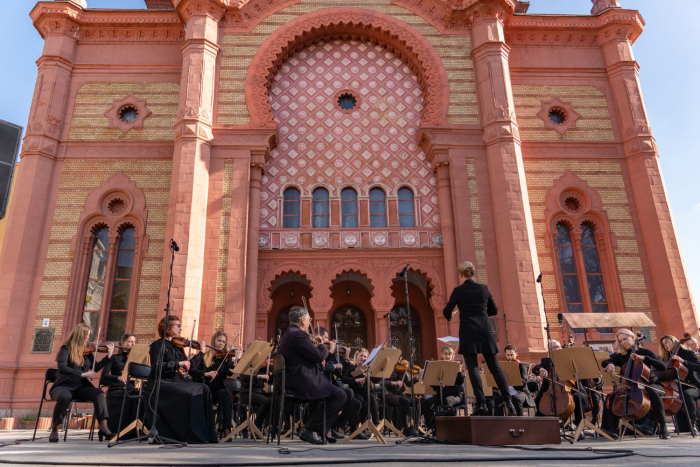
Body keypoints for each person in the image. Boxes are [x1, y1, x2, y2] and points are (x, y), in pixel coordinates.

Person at [443, 261, 515, 416]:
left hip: (468, 332)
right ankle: (508, 399)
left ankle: (481, 403)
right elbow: (494, 310)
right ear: (473, 273)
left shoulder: (458, 291)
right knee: (495, 367)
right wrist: (481, 313)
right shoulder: (484, 289)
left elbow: (446, 311)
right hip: (485, 331)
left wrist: (452, 315)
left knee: (473, 367)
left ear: (461, 275)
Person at [278, 306, 347, 445]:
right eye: (309, 319)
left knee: (324, 396)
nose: (310, 322)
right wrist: (324, 347)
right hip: (301, 382)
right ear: (303, 320)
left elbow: (306, 356)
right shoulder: (298, 335)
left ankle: (317, 430)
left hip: (294, 380)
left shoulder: (290, 333)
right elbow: (318, 356)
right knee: (340, 395)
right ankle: (310, 429)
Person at [146, 316, 218, 443]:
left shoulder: (178, 346)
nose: (180, 328)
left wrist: (201, 357)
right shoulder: (157, 345)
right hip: (161, 383)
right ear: (167, 327)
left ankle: (207, 434)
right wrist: (178, 364)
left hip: (176, 381)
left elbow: (189, 367)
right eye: (177, 325)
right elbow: (156, 367)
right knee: (191, 392)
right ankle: (191, 435)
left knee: (204, 389)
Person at [49, 323, 115, 442]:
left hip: (79, 387)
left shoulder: (87, 352)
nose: (87, 338)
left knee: (99, 393)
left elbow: (96, 367)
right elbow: (62, 368)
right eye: (86, 335)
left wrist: (109, 356)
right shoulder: (66, 348)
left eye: (88, 336)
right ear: (79, 334)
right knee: (65, 396)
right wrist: (81, 374)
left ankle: (104, 428)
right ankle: (55, 428)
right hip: (63, 386)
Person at [602, 328, 671, 439]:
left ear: (633, 338)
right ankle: (613, 429)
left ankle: (663, 427)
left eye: (625, 339)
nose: (623, 342)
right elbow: (604, 362)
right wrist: (610, 364)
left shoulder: (645, 352)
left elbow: (662, 366)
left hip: (652, 384)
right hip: (632, 387)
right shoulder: (621, 356)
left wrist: (644, 358)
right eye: (620, 341)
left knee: (653, 392)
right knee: (614, 396)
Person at [313, 327, 361, 439]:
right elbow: (322, 366)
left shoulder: (330, 354)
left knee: (356, 403)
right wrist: (329, 352)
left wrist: (347, 358)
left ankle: (334, 426)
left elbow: (342, 375)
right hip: (319, 384)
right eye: (325, 338)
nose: (328, 341)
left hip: (330, 385)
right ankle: (353, 430)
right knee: (348, 393)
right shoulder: (316, 350)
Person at [190, 331, 235, 439]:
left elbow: (230, 373)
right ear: (214, 341)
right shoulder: (205, 356)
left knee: (225, 394)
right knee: (212, 395)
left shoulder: (226, 358)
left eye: (223, 342)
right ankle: (211, 430)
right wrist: (205, 373)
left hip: (219, 390)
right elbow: (191, 370)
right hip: (206, 389)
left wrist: (236, 360)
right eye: (219, 340)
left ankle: (225, 429)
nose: (221, 343)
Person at [659, 334, 700, 433]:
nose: (666, 345)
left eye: (667, 342)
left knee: (687, 394)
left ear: (674, 342)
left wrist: (682, 361)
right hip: (675, 387)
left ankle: (693, 424)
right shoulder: (665, 358)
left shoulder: (688, 353)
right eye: (664, 344)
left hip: (693, 386)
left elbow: (698, 367)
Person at [420, 346, 465, 431]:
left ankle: (448, 428)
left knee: (447, 401)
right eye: (446, 354)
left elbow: (460, 382)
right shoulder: (438, 366)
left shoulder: (455, 366)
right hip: (441, 395)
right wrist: (438, 384)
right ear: (442, 355)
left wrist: (459, 372)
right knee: (426, 402)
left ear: (452, 356)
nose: (448, 356)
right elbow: (432, 384)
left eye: (449, 354)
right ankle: (432, 428)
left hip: (454, 395)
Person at [100, 333, 137, 434]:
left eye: (134, 342)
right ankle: (117, 430)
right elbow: (104, 375)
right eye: (130, 342)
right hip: (116, 388)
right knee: (125, 397)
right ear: (122, 343)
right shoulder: (115, 358)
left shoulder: (135, 359)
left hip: (131, 388)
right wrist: (118, 378)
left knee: (139, 397)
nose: (133, 344)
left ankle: (132, 431)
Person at [341, 348, 375, 440]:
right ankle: (359, 430)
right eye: (361, 356)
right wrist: (355, 380)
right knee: (362, 402)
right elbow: (344, 378)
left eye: (365, 356)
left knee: (371, 398)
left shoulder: (367, 368)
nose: (363, 358)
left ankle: (375, 426)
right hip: (355, 391)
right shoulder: (351, 366)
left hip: (365, 391)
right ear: (356, 356)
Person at [492, 344, 534, 416]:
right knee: (498, 399)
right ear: (505, 355)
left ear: (516, 354)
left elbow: (524, 381)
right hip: (507, 393)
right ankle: (499, 423)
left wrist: (511, 380)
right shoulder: (503, 367)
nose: (510, 357)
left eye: (512, 354)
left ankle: (519, 421)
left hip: (520, 393)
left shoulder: (521, 366)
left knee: (516, 398)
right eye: (508, 355)